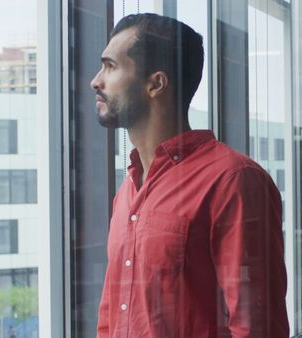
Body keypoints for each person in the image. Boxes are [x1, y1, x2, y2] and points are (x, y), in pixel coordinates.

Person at [91, 13, 288, 338]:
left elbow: (257, 328)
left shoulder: (232, 181)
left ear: (156, 84)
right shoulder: (127, 191)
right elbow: (109, 318)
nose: (96, 81)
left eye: (110, 66)